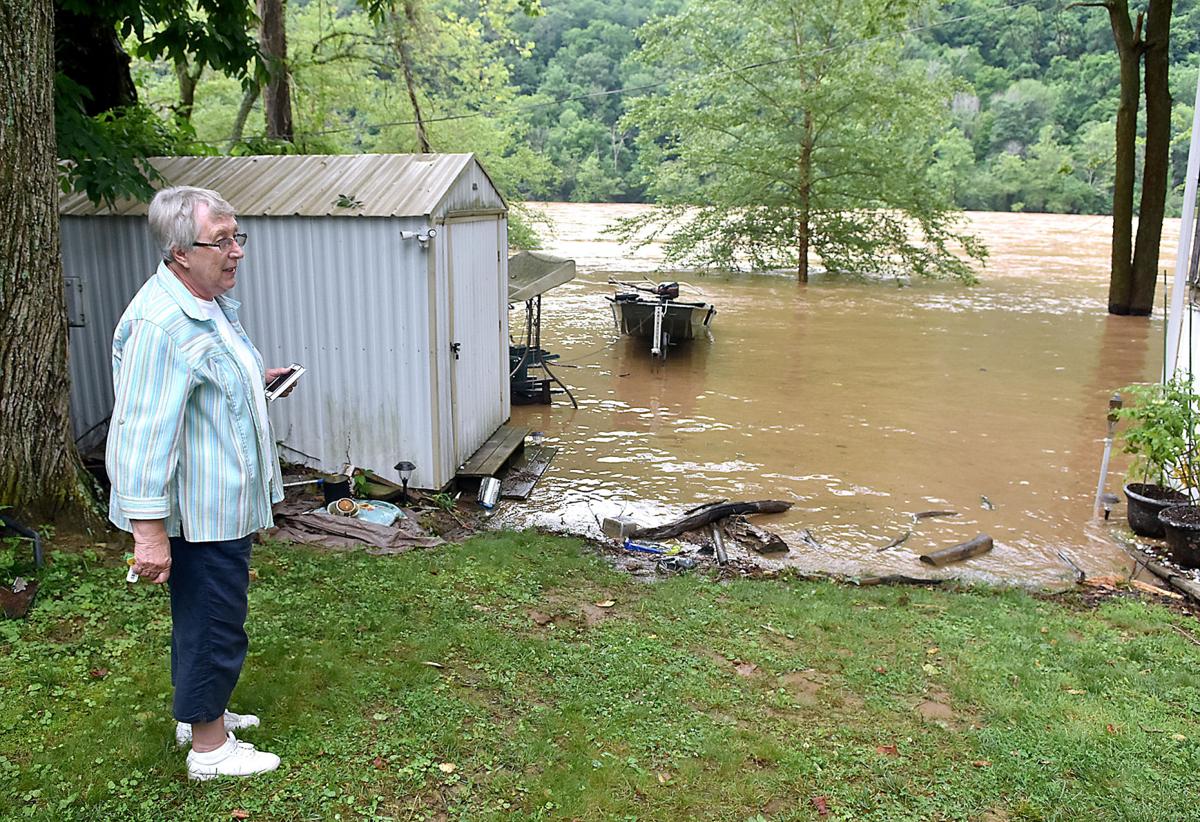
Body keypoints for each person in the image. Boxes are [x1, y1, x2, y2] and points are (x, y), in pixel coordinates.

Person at [106, 186, 292, 781]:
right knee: (215, 617)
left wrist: (248, 378)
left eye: (239, 237)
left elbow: (198, 386)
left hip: (222, 501)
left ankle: (199, 714)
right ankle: (210, 751)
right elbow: (140, 433)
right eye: (223, 240)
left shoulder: (205, 301)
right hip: (202, 510)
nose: (237, 251)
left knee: (199, 615)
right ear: (180, 251)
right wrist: (148, 533)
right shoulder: (162, 323)